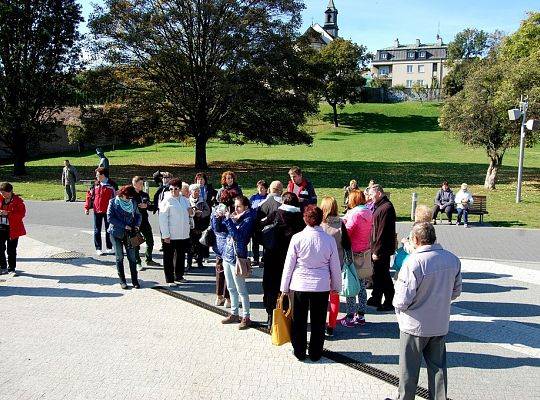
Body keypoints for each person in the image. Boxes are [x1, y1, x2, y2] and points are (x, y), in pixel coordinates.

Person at [388, 222, 462, 400]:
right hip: (439, 323)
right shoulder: (452, 259)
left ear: (415, 239)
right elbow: (456, 291)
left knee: (409, 370)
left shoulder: (413, 262)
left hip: (414, 325)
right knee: (438, 370)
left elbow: (401, 300)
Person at [281, 205, 341, 362]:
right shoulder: (329, 240)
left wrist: (284, 287)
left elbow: (289, 265)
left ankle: (299, 351)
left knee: (298, 320)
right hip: (321, 285)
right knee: (318, 321)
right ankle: (315, 353)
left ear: (304, 219)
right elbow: (334, 265)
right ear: (322, 219)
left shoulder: (297, 238)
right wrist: (336, 286)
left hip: (299, 284)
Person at [260, 192, 304, 328]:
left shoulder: (275, 214)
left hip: (272, 257)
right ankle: (288, 315)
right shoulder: (300, 219)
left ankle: (270, 316)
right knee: (288, 289)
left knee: (271, 287)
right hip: (292, 260)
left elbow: (260, 227)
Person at [213, 195, 255, 330]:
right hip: (227, 255)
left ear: (245, 207)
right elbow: (218, 229)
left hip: (238, 258)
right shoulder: (233, 218)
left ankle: (246, 316)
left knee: (241, 289)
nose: (235, 209)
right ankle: (234, 313)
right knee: (230, 287)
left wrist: (228, 220)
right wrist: (216, 217)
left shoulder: (248, 220)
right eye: (235, 206)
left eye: (239, 206)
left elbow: (239, 237)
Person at [319, 196, 351, 336]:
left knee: (320, 298)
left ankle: (319, 323)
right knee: (334, 297)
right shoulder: (341, 224)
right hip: (337, 265)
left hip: (320, 266)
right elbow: (347, 245)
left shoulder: (318, 225)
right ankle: (331, 325)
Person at [341, 190, 372, 327]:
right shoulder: (368, 212)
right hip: (364, 250)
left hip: (352, 252)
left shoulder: (354, 214)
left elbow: (347, 232)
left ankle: (350, 316)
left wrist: (343, 222)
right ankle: (361, 315)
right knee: (362, 285)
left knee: (351, 284)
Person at [367, 184, 397, 312]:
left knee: (384, 275)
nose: (370, 197)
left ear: (379, 193)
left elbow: (382, 232)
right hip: (379, 247)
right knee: (377, 274)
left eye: (372, 195)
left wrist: (376, 251)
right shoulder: (381, 206)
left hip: (382, 249)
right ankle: (376, 297)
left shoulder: (386, 208)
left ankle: (389, 301)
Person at [107, 185, 142, 289]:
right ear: (122, 195)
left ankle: (135, 280)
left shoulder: (133, 202)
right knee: (120, 257)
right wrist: (124, 225)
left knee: (132, 257)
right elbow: (110, 218)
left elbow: (138, 215)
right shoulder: (113, 202)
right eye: (128, 197)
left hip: (131, 234)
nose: (129, 200)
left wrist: (136, 225)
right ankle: (122, 281)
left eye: (131, 198)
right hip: (116, 233)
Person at [158, 178, 191, 286]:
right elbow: (162, 219)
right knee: (168, 257)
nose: (173, 191)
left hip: (183, 234)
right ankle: (170, 279)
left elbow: (189, 213)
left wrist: (192, 212)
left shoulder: (185, 200)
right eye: (171, 189)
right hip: (171, 235)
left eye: (176, 189)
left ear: (180, 189)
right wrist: (166, 235)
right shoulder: (166, 201)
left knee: (181, 256)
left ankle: (179, 276)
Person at [211, 190, 234, 307]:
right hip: (228, 243)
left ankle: (219, 296)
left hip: (218, 243)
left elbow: (214, 227)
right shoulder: (231, 210)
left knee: (220, 270)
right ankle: (228, 298)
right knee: (229, 272)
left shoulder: (215, 209)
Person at [84, 168, 116, 256]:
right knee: (97, 230)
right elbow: (89, 196)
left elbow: (116, 197)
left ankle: (109, 247)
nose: (96, 176)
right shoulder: (95, 184)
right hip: (97, 210)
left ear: (103, 175)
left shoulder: (112, 184)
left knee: (109, 229)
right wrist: (86, 207)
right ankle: (98, 248)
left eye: (97, 175)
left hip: (109, 211)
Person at [132, 176, 159, 270]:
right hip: (134, 222)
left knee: (150, 240)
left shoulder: (144, 194)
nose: (141, 185)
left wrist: (146, 205)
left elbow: (151, 206)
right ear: (134, 184)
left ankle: (149, 259)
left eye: (142, 184)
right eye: (140, 184)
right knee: (136, 243)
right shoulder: (130, 194)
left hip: (144, 221)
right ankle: (137, 262)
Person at [0, 182, 26, 276]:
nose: (2, 195)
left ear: (10, 191)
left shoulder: (18, 202)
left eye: (4, 193)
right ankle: (3, 267)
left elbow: (21, 215)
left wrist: (8, 213)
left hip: (13, 228)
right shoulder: (0, 199)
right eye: (1, 193)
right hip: (1, 227)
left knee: (11, 250)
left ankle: (11, 269)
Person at [187, 183, 211, 269]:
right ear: (191, 192)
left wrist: (201, 214)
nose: (196, 192)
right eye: (195, 191)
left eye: (198, 191)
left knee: (200, 245)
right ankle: (189, 264)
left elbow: (208, 211)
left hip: (200, 226)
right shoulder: (187, 201)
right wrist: (192, 213)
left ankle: (200, 263)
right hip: (190, 227)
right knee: (190, 246)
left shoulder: (202, 201)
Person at [249, 179, 268, 265]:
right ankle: (255, 258)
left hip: (264, 222)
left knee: (264, 241)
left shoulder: (268, 197)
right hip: (254, 222)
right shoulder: (253, 197)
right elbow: (249, 208)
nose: (260, 190)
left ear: (266, 189)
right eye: (259, 188)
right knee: (255, 241)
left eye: (262, 188)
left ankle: (264, 258)